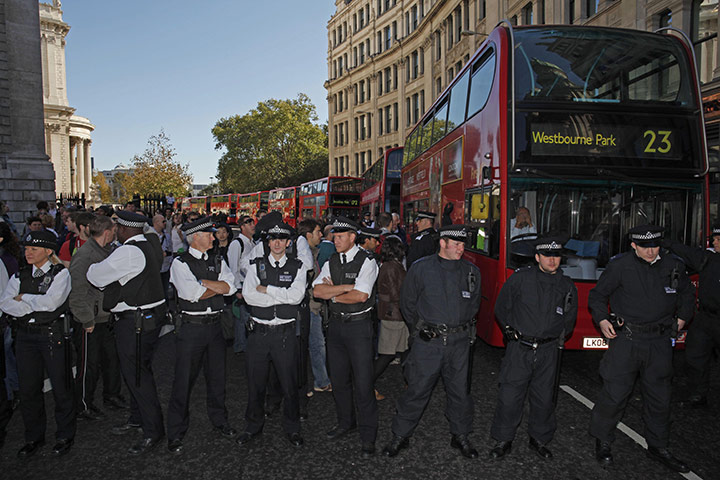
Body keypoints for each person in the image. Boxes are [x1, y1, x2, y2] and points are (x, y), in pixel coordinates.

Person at [588, 225, 694, 473]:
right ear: (634, 245)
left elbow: (687, 295)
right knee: (614, 394)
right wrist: (603, 319)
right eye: (645, 247)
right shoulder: (620, 265)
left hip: (659, 342)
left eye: (655, 246)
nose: (651, 251)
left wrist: (682, 319)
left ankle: (659, 446)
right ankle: (603, 440)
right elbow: (597, 295)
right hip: (628, 340)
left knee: (660, 397)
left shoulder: (673, 265)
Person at [383, 225, 481, 459]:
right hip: (429, 342)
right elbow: (407, 304)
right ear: (442, 243)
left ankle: (460, 435)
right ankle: (400, 435)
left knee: (459, 393)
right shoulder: (421, 268)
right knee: (417, 390)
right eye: (456, 244)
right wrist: (418, 332)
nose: (461, 248)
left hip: (458, 343)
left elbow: (475, 305)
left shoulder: (471, 271)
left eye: (463, 244)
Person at [489, 235, 578, 460]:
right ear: (537, 257)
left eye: (556, 256)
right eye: (547, 256)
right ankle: (503, 439)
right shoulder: (521, 279)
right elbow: (502, 306)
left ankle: (539, 439)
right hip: (520, 347)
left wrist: (555, 336)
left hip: (548, 351)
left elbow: (570, 317)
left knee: (544, 398)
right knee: (510, 396)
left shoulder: (566, 285)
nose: (552, 260)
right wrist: (509, 328)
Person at [86, 210, 166, 455]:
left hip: (134, 322)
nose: (116, 230)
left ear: (123, 229)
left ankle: (153, 430)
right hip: (149, 318)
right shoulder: (150, 243)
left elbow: (95, 276)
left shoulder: (127, 251)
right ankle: (137, 418)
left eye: (118, 226)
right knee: (139, 372)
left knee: (138, 377)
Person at [0, 230, 74, 458]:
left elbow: (52, 303)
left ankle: (65, 435)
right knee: (29, 389)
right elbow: (5, 304)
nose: (28, 252)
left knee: (61, 388)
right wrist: (33, 304)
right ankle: (34, 436)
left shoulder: (60, 274)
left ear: (48, 251)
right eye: (26, 248)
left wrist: (25, 298)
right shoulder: (20, 275)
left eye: (34, 249)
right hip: (25, 337)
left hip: (52, 335)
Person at [167, 218, 238, 454]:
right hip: (192, 329)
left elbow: (232, 287)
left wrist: (203, 284)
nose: (214, 236)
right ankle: (176, 431)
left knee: (217, 379)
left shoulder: (217, 259)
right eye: (209, 234)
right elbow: (189, 294)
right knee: (183, 381)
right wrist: (215, 286)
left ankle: (220, 421)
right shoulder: (180, 263)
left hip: (215, 327)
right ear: (195, 238)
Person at [313, 216, 379, 458]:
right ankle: (346, 422)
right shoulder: (331, 260)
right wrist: (344, 289)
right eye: (334, 235)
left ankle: (368, 436)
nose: (335, 239)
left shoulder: (367, 261)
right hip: (336, 327)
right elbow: (317, 290)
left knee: (363, 384)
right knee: (339, 380)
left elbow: (361, 296)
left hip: (359, 328)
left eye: (340, 236)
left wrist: (334, 294)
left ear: (353, 237)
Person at [237, 220, 307, 448]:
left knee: (289, 385)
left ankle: (293, 428)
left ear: (288, 243)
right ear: (268, 243)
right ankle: (252, 426)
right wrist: (281, 294)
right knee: (255, 383)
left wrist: (266, 289)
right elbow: (249, 296)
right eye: (272, 239)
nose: (277, 243)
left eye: (282, 239)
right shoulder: (255, 265)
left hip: (285, 334)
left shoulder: (298, 266)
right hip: (259, 333)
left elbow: (296, 297)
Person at [69, 214, 127, 422]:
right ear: (107, 232)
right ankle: (83, 405)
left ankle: (111, 395)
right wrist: (86, 319)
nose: (116, 233)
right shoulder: (85, 255)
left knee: (111, 360)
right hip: (90, 321)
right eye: (114, 230)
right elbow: (76, 291)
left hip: (105, 317)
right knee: (88, 366)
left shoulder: (106, 251)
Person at [665, 225, 720, 408]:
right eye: (714, 238)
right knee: (695, 356)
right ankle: (698, 395)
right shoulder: (708, 259)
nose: (714, 242)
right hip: (706, 318)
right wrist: (663, 240)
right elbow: (685, 251)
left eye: (718, 240)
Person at [372, 236, 409, 396]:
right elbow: (396, 294)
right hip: (394, 315)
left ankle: (411, 383)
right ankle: (367, 383)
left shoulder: (388, 265)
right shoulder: (393, 267)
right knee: (388, 354)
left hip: (394, 314)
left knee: (404, 350)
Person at [302, 220, 331, 395]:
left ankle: (319, 381)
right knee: (317, 345)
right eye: (318, 232)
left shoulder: (313, 252)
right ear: (308, 235)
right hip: (309, 307)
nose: (321, 235)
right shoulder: (304, 256)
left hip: (313, 306)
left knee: (315, 345)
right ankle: (320, 381)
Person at [228, 215, 256, 354]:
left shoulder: (253, 243)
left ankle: (244, 345)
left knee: (247, 317)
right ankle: (240, 346)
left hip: (251, 285)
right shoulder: (237, 243)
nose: (252, 224)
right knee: (242, 318)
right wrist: (237, 288)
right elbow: (233, 268)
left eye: (252, 222)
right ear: (242, 226)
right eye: (248, 222)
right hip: (242, 285)